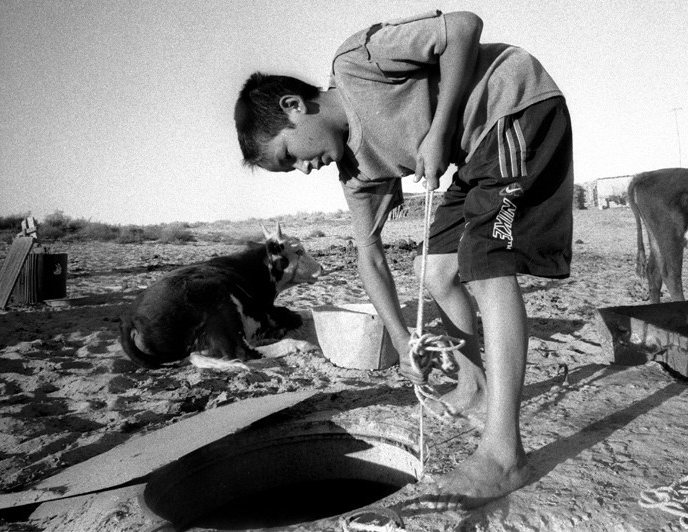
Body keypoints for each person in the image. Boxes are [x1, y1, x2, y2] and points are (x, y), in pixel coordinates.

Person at [234, 10, 573, 510]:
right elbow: (368, 253)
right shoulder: (356, 173)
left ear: (294, 106)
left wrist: (437, 132)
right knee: (433, 270)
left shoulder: (358, 62)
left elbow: (463, 27)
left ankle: (505, 456)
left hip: (514, 104)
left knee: (486, 262)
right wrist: (398, 339)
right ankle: (473, 386)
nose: (303, 170)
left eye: (290, 156)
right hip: (476, 153)